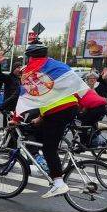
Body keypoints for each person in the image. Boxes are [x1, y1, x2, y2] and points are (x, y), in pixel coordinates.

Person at [15, 43, 86, 198]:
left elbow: (25, 96)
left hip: (57, 112)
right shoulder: (57, 65)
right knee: (39, 134)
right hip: (70, 107)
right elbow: (64, 89)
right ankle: (49, 164)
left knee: (49, 148)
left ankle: (58, 183)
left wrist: (16, 118)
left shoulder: (31, 71)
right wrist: (41, 117)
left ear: (30, 57)